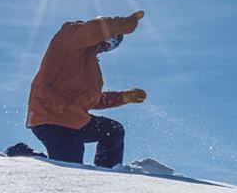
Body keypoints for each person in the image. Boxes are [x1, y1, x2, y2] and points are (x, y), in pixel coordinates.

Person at [26, 11, 147, 168]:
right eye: (110, 41)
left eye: (111, 47)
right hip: (51, 117)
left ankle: (107, 172)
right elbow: (93, 30)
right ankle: (22, 155)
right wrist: (125, 23)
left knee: (113, 130)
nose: (105, 48)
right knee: (70, 170)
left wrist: (124, 97)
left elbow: (91, 100)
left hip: (75, 120)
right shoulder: (70, 36)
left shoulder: (91, 67)